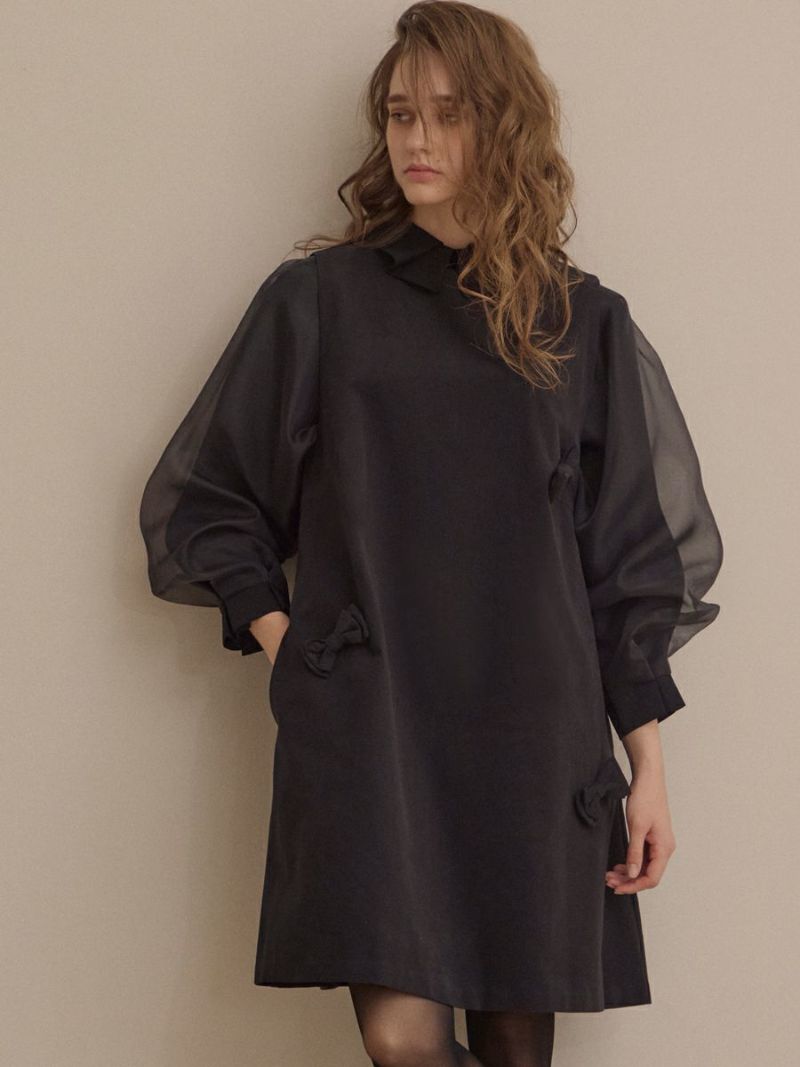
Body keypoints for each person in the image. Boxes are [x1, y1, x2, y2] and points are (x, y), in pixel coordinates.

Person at [138, 3, 723, 1064]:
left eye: (449, 114)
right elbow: (210, 498)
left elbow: (628, 561)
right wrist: (295, 649)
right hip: (378, 727)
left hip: (533, 729)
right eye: (401, 113)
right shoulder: (322, 301)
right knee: (403, 1040)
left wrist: (647, 764)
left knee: (514, 1045)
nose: (416, 139)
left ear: (505, 126)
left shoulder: (579, 321)